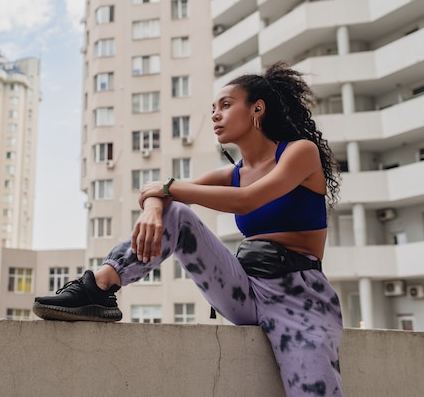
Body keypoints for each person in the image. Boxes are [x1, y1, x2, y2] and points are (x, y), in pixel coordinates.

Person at [33, 61, 343, 397]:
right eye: (213, 108)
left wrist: (166, 189)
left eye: (225, 105)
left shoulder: (300, 153)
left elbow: (248, 201)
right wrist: (156, 206)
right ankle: (100, 287)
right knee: (177, 213)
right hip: (245, 287)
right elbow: (162, 195)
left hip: (300, 297)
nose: (215, 115)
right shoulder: (233, 173)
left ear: (257, 109)